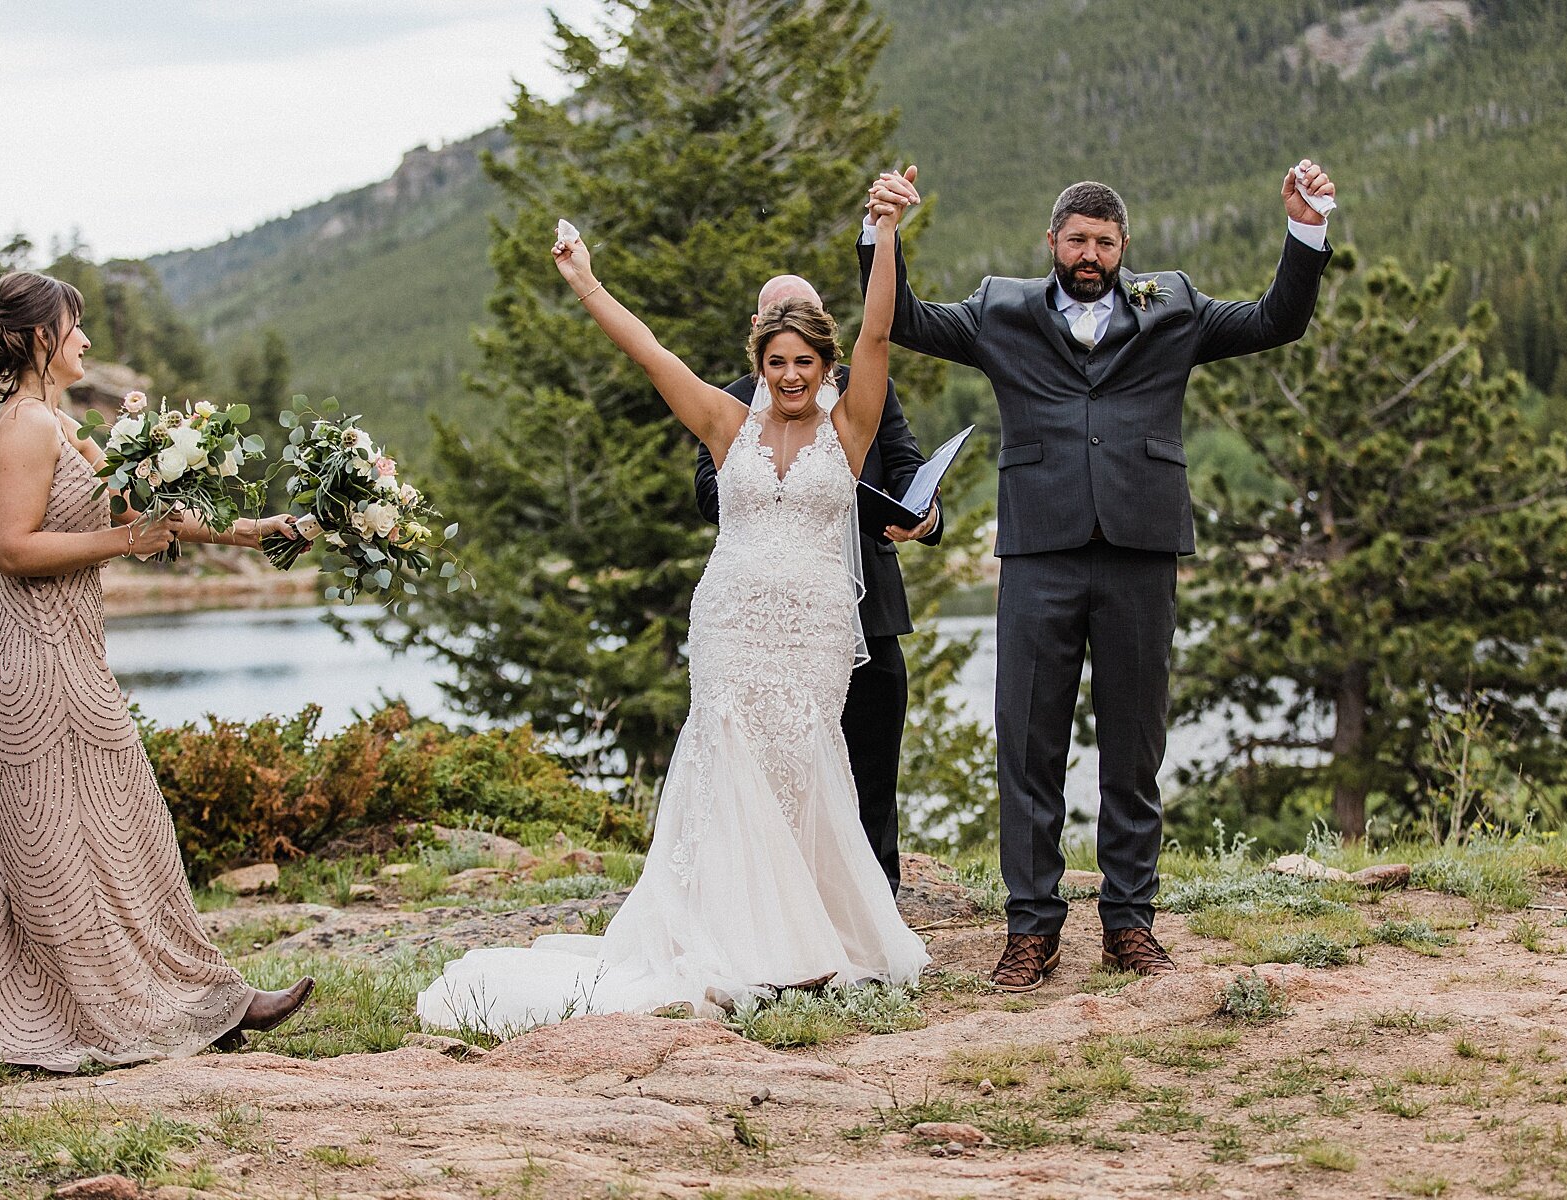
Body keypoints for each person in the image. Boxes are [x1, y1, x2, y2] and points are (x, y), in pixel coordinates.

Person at [416, 203, 927, 1034]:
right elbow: (649, 352)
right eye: (775, 362)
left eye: (803, 362)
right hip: (731, 624)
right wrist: (586, 283)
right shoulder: (728, 424)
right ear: (756, 362)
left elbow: (877, 333)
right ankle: (732, 937)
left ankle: (811, 933)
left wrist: (886, 235)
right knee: (729, 762)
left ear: (824, 363)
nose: (790, 376)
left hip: (815, 632)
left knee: (802, 762)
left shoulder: (852, 424)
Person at [861, 161, 1336, 988]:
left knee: (1135, 742)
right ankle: (1032, 930)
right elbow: (902, 318)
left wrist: (1305, 231)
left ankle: (1129, 924)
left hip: (1141, 548)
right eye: (1077, 239)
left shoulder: (1176, 305)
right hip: (1039, 550)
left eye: (1105, 242)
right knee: (1028, 744)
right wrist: (882, 233)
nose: (1090, 253)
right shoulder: (1000, 309)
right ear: (1052, 242)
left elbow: (1276, 320)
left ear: (1124, 248)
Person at [0, 271, 315, 1071]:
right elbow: (15, 548)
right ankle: (106, 1013)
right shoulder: (24, 428)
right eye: (73, 325)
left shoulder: (60, 424)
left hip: (72, 660)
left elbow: (144, 513)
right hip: (32, 667)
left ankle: (204, 1000)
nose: (87, 340)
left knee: (129, 835)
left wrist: (258, 531)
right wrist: (124, 547)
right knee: (50, 853)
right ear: (36, 339)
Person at [694, 273, 941, 896]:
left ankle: (875, 899)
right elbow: (707, 493)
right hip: (763, 616)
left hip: (867, 606)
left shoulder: (861, 392)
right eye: (774, 323)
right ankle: (777, 902)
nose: (791, 368)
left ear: (823, 331)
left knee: (870, 761)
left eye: (801, 323)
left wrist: (925, 516)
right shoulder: (731, 404)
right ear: (757, 334)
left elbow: (909, 465)